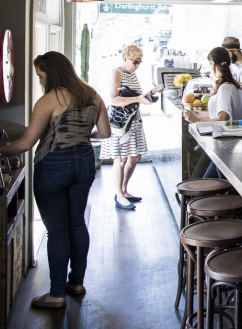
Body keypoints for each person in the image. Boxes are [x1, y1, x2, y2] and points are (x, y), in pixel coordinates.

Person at [0, 52, 111, 309]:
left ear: (51, 73)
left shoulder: (49, 99)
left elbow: (26, 143)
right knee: (77, 223)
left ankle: (57, 294)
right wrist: (82, 136)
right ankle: (77, 283)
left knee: (57, 230)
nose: (40, 81)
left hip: (53, 164)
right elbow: (105, 133)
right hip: (84, 162)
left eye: (41, 76)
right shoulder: (93, 95)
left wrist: (2, 151)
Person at [100, 44, 163, 210]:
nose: (137, 65)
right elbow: (113, 99)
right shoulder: (116, 72)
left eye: (139, 62)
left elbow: (136, 96)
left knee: (135, 157)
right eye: (135, 62)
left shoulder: (132, 74)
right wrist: (138, 99)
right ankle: (119, 195)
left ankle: (123, 190)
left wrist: (152, 92)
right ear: (125, 58)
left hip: (133, 120)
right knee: (120, 159)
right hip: (120, 122)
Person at [184, 47, 242, 179]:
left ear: (212, 63)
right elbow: (225, 115)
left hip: (224, 146)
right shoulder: (234, 85)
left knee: (212, 184)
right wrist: (200, 114)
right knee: (210, 182)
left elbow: (222, 121)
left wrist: (197, 120)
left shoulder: (225, 88)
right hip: (226, 145)